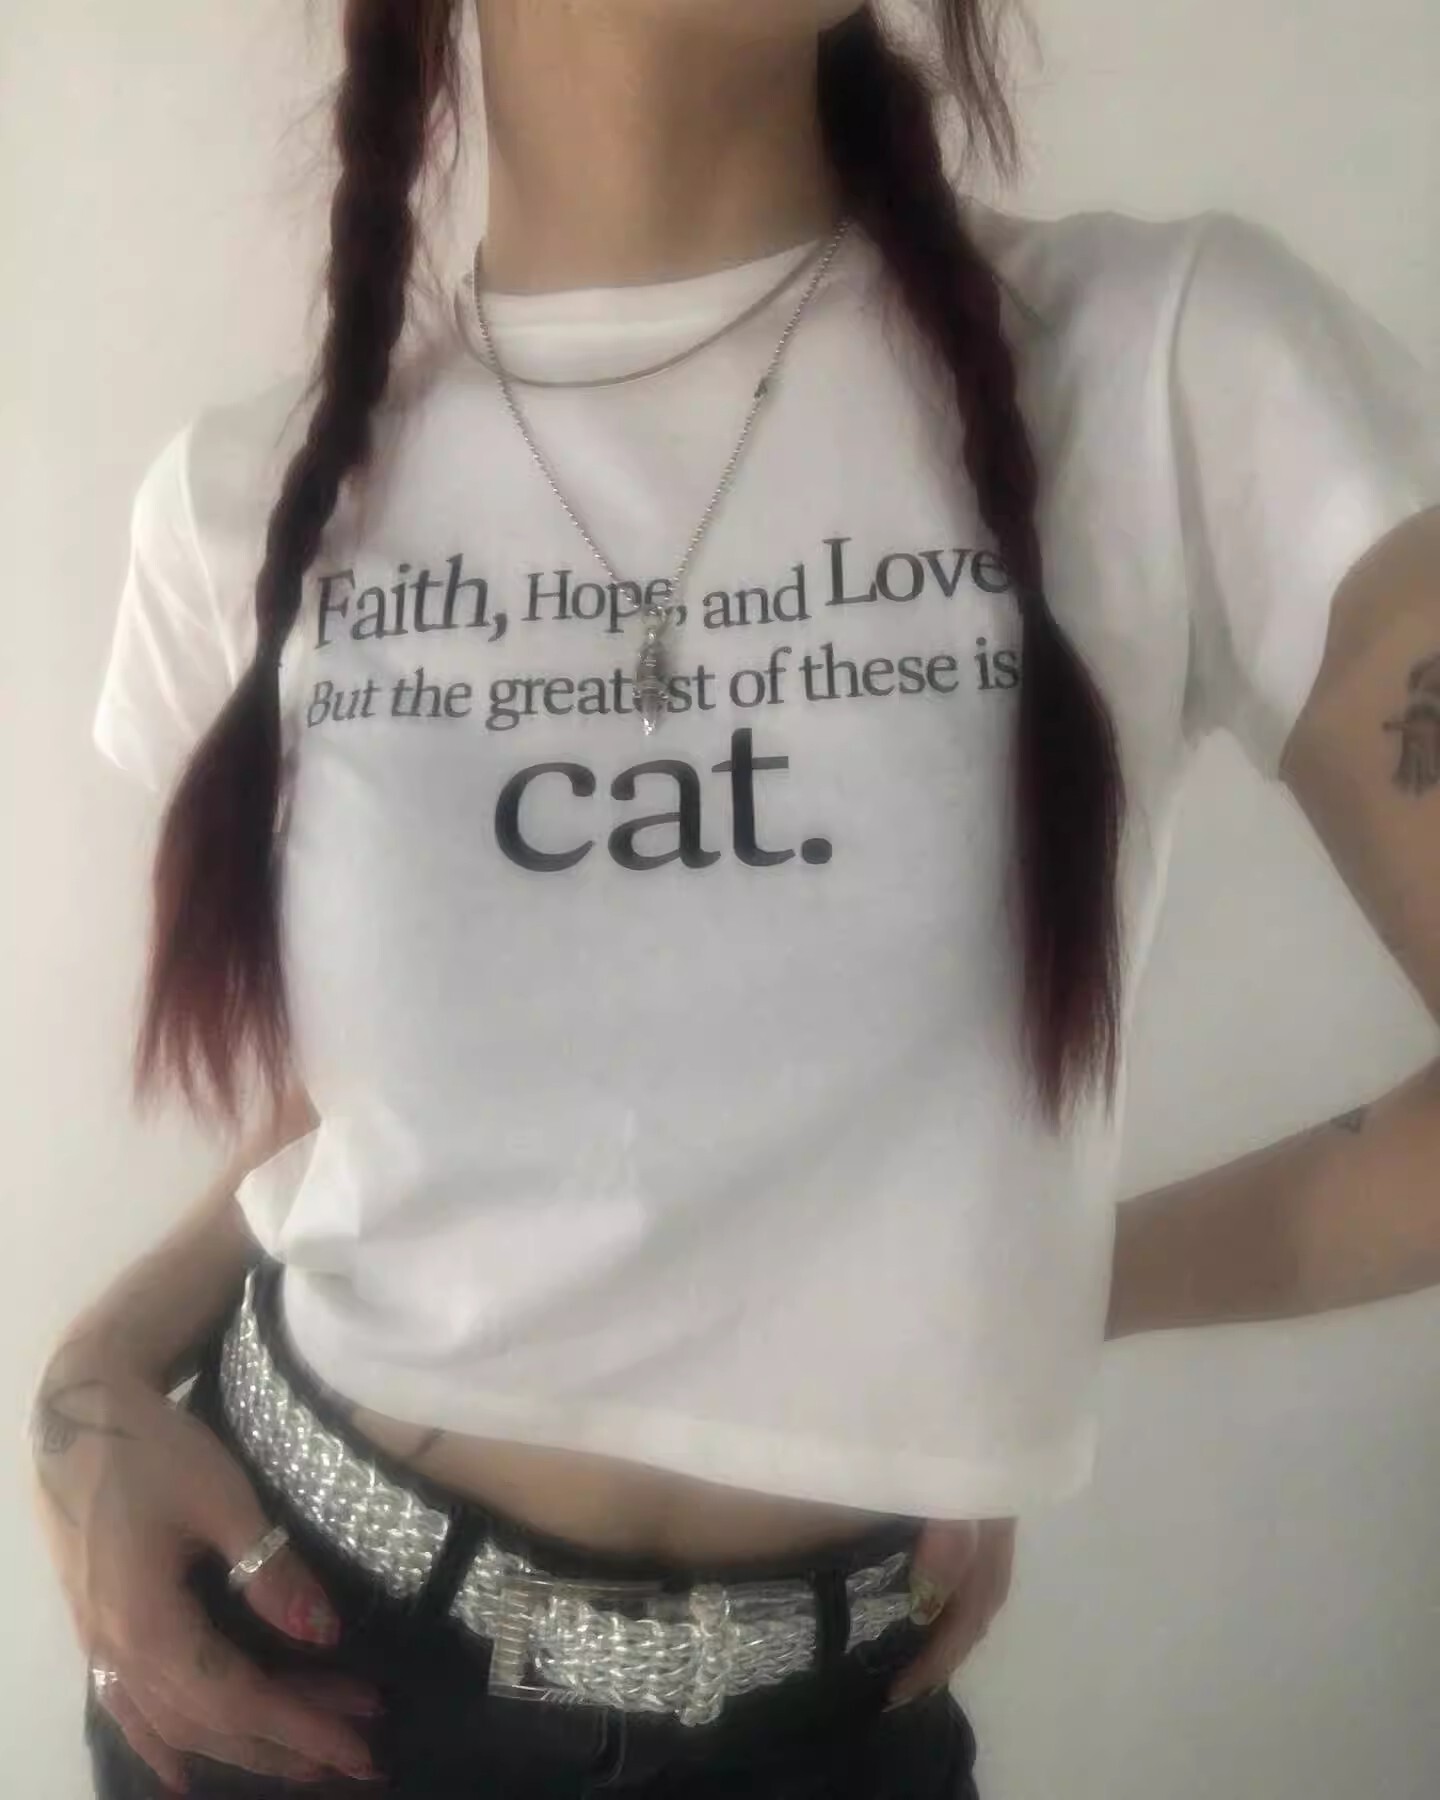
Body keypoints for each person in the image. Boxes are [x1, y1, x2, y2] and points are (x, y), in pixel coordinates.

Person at [34, 1, 1440, 1795]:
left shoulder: (1171, 364)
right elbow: (375, 1128)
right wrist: (92, 1374)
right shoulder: (243, 513)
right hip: (302, 1685)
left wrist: (1001, 1309)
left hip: (826, 1730)